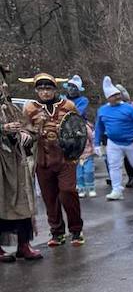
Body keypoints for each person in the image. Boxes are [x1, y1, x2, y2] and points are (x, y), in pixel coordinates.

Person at [23, 73, 85, 246]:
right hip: (43, 159)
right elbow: (25, 131)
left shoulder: (68, 105)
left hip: (65, 158)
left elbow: (78, 127)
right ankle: (57, 233)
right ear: (36, 90)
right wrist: (36, 128)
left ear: (55, 89)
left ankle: (76, 230)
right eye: (41, 89)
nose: (44, 92)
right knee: (49, 197)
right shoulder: (30, 108)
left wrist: (75, 147)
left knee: (67, 192)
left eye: (48, 88)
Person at [0, 70, 42, 262]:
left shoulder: (11, 107)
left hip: (17, 162)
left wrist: (26, 134)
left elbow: (29, 128)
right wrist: (2, 129)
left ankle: (24, 245)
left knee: (24, 201)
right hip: (1, 163)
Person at [94, 77, 133, 201]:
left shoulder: (130, 108)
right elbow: (99, 127)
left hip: (131, 141)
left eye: (118, 94)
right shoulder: (102, 111)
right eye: (114, 95)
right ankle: (116, 190)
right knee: (114, 165)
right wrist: (97, 144)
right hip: (113, 142)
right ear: (108, 97)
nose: (117, 96)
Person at [65, 76, 97, 198]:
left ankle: (90, 186)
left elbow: (79, 111)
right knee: (76, 169)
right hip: (66, 124)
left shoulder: (83, 99)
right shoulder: (63, 99)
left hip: (80, 122)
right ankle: (80, 186)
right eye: (70, 86)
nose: (71, 89)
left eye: (74, 87)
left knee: (88, 131)